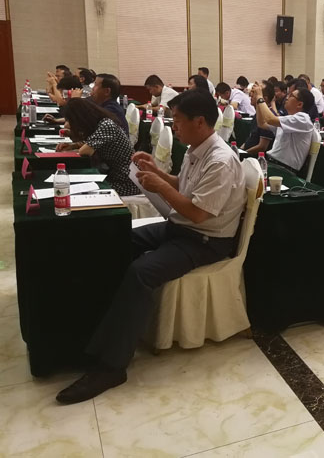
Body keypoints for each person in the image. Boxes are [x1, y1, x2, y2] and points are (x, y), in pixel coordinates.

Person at [55, 90, 246, 404]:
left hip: (205, 241)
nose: (175, 126)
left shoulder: (221, 160)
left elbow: (198, 213)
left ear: (200, 121)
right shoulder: (197, 148)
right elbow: (184, 186)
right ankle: (98, 330)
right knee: (115, 241)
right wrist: (157, 173)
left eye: (178, 121)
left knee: (141, 273)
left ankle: (112, 366)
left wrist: (160, 187)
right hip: (181, 229)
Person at [56, 98, 139, 196]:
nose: (67, 124)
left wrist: (74, 141)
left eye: (70, 120)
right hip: (115, 175)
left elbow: (84, 151)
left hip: (126, 182)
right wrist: (72, 145)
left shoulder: (106, 125)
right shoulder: (101, 123)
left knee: (79, 191)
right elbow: (91, 142)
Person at [253, 83, 315, 172]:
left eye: (291, 96)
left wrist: (260, 97)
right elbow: (262, 123)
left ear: (299, 104)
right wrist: (257, 100)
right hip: (274, 164)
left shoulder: (303, 119)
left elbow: (270, 119)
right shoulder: (289, 118)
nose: (287, 97)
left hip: (284, 169)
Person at [242, 82, 277, 156]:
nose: (251, 95)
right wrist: (241, 150)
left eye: (256, 92)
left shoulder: (268, 117)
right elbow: (251, 138)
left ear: (264, 99)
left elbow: (262, 147)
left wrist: (244, 153)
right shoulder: (258, 113)